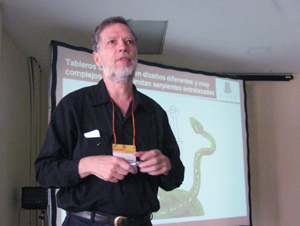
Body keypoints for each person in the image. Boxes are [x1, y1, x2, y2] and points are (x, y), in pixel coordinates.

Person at [35, 16, 184, 226]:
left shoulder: (155, 113)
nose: (123, 47)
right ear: (97, 58)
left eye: (129, 41)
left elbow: (176, 176)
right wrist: (86, 165)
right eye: (112, 42)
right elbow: (44, 173)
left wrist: (167, 165)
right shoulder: (74, 106)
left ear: (136, 54)